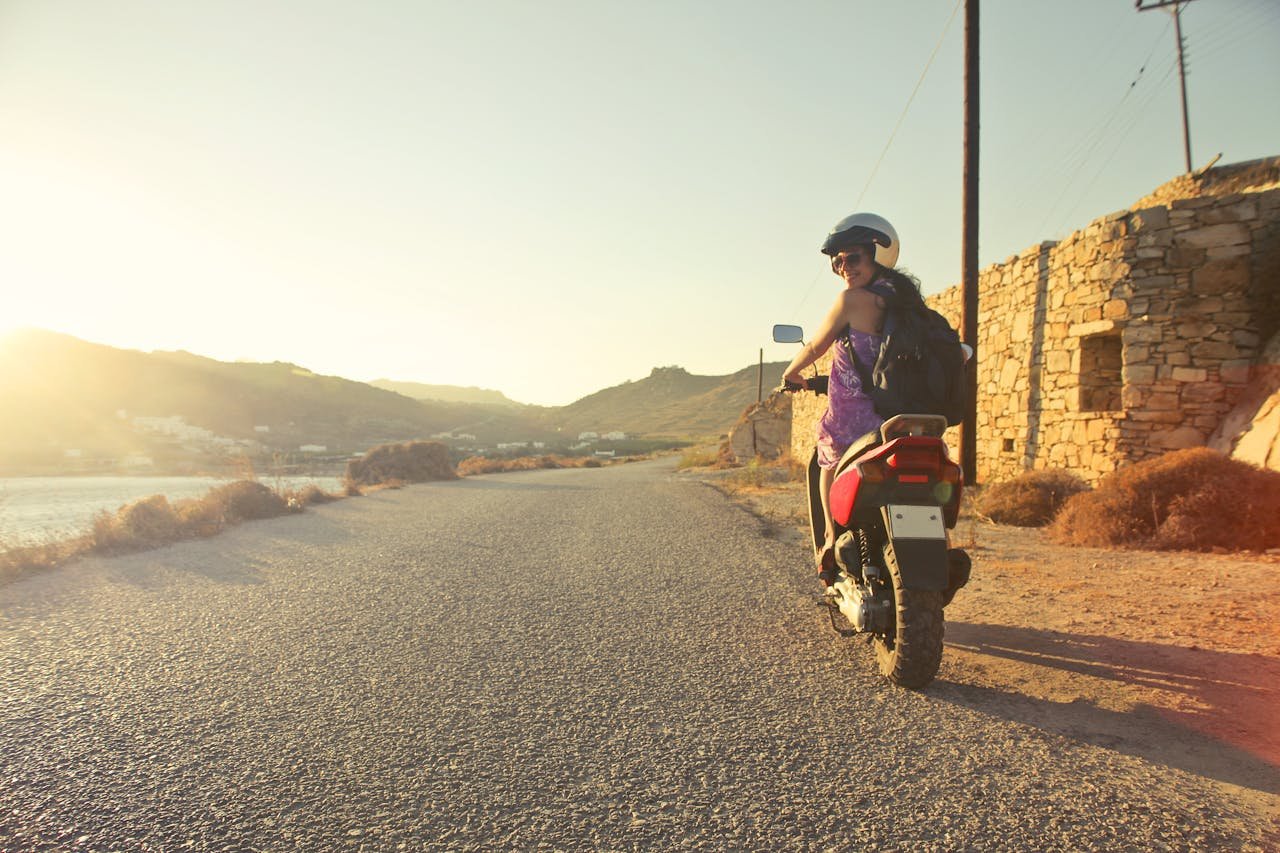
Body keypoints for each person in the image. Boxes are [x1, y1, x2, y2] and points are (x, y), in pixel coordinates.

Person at [782, 213, 929, 586]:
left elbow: (817, 344)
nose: (843, 267)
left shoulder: (851, 301)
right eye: (838, 261)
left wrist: (791, 374)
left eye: (853, 258)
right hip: (902, 419)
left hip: (858, 423)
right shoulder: (910, 304)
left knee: (825, 453)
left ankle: (831, 541)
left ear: (877, 256)